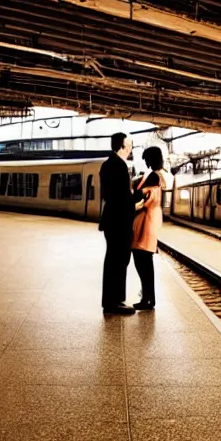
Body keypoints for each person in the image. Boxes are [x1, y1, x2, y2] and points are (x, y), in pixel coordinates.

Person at [99, 133, 138, 315]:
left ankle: (114, 300)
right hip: (118, 222)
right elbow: (120, 198)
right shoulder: (117, 166)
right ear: (122, 146)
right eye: (129, 145)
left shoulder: (109, 164)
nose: (130, 149)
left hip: (113, 221)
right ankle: (114, 303)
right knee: (118, 261)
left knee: (115, 260)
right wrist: (136, 203)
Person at [131, 147, 171, 311]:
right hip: (149, 220)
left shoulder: (153, 176)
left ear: (151, 159)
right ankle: (148, 297)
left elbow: (140, 197)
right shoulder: (157, 175)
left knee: (143, 261)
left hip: (146, 221)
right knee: (144, 261)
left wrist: (135, 191)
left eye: (146, 159)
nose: (145, 162)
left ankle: (148, 299)